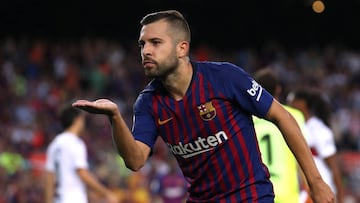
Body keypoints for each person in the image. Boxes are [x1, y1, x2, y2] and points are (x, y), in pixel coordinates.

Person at [72, 10, 335, 202]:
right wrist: (115, 117)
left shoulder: (225, 78)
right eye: (142, 44)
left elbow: (282, 116)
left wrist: (316, 182)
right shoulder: (149, 103)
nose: (145, 51)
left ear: (181, 48)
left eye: (155, 43)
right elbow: (135, 159)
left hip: (251, 198)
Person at [44, 105, 118, 203]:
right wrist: (106, 193)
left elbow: (49, 178)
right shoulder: (76, 143)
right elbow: (82, 173)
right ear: (77, 120)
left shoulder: (54, 145)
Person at [252, 67, 306, 203]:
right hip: (288, 193)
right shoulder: (294, 116)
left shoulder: (247, 119)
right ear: (278, 89)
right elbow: (303, 155)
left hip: (259, 193)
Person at [287, 88, 345, 203]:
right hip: (304, 191)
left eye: (292, 101)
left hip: (322, 191)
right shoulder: (296, 126)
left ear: (302, 103)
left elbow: (333, 166)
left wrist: (341, 196)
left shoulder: (318, 128)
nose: (288, 104)